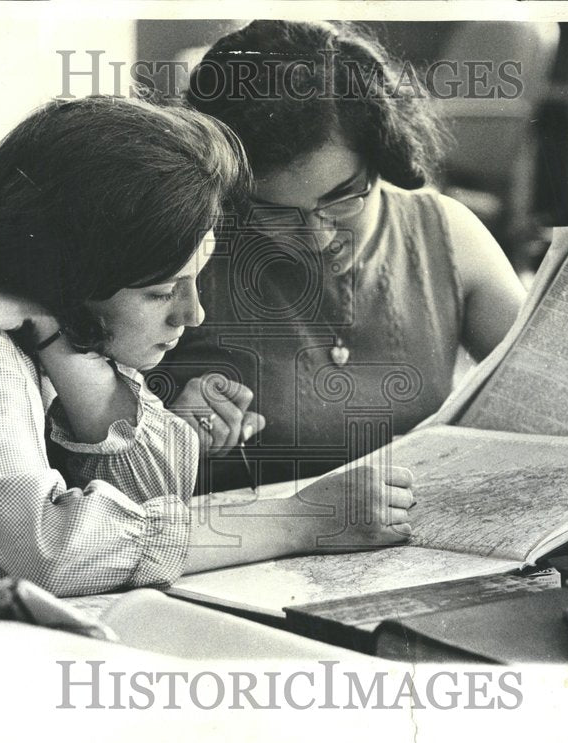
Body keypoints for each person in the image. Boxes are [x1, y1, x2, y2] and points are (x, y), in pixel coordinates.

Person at [0, 96, 415, 597]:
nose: (192, 314)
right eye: (158, 293)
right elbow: (53, 554)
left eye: (195, 278)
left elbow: (151, 498)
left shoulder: (42, 318)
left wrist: (56, 332)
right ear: (75, 280)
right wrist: (299, 518)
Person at [152, 19, 527, 489]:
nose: (318, 238)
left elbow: (549, 406)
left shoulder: (447, 233)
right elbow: (94, 468)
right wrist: (166, 434)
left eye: (343, 198)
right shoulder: (185, 253)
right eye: (273, 212)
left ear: (383, 157)